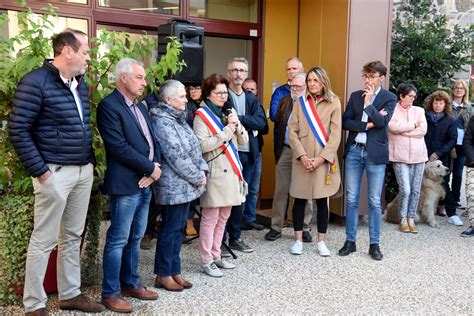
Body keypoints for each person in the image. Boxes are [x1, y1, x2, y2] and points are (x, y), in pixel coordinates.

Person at [8, 29, 104, 315]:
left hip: (81, 171)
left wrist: (89, 165)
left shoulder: (78, 83)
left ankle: (70, 294)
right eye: (85, 52)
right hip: (54, 172)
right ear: (67, 51)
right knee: (44, 239)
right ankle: (34, 304)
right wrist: (42, 172)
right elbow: (18, 130)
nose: (89, 57)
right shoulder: (35, 82)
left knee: (73, 235)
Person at [98, 58, 161, 313]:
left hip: (145, 183)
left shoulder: (141, 107)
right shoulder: (109, 106)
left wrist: (154, 168)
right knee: (118, 239)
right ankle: (110, 293)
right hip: (126, 184)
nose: (144, 83)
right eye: (139, 77)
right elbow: (118, 147)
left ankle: (130, 283)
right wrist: (149, 168)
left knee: (136, 237)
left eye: (144, 78)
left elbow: (151, 141)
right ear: (123, 77)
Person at [150, 79, 208, 290]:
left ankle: (174, 271)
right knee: (170, 229)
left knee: (177, 230)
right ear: (168, 99)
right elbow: (176, 156)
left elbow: (194, 148)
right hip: (173, 185)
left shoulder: (179, 118)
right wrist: (197, 176)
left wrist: (203, 169)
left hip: (187, 184)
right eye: (182, 96)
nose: (186, 99)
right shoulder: (162, 121)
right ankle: (163, 274)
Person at [339, 61, 396, 261]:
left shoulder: (390, 98)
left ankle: (374, 244)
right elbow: (345, 122)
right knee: (352, 198)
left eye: (371, 76)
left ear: (381, 78)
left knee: (373, 201)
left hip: (375, 154)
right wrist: (368, 124)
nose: (367, 80)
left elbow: (383, 123)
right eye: (365, 76)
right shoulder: (355, 96)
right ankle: (350, 241)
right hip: (355, 151)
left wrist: (370, 104)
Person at [193, 74, 249, 277]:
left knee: (224, 216)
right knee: (210, 218)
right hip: (215, 173)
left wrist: (236, 123)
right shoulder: (202, 115)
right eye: (219, 93)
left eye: (225, 92)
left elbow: (242, 141)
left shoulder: (227, 113)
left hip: (232, 171)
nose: (224, 96)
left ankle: (216, 255)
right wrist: (226, 132)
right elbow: (201, 146)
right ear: (208, 94)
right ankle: (206, 260)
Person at [287, 67, 342, 256]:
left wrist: (320, 159)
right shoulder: (300, 102)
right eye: (309, 80)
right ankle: (298, 240)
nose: (311, 84)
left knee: (321, 201)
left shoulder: (334, 102)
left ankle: (321, 241)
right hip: (302, 159)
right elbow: (292, 131)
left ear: (323, 82)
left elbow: (335, 135)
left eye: (315, 80)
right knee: (300, 199)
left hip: (322, 160)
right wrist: (302, 156)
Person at [225, 57, 267, 250]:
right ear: (228, 73)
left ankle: (235, 238)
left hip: (248, 154)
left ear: (246, 74)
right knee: (226, 198)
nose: (238, 74)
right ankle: (221, 239)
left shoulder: (251, 98)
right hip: (228, 155)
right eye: (234, 70)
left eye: (242, 70)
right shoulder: (223, 96)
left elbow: (261, 123)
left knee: (241, 196)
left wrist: (238, 118)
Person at [265, 72, 310, 241]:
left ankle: (305, 227)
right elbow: (277, 122)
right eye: (292, 86)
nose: (295, 89)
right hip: (285, 150)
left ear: (306, 87)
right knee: (281, 190)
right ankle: (276, 227)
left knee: (306, 191)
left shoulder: (311, 105)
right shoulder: (284, 102)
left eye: (299, 86)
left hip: (305, 153)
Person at [388, 83, 427, 233]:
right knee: (405, 189)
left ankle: (411, 217)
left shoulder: (419, 110)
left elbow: (423, 130)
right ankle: (402, 218)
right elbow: (392, 127)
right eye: (410, 96)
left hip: (419, 155)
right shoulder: (393, 110)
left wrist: (404, 131)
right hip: (400, 155)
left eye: (414, 96)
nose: (413, 98)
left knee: (416, 190)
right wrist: (412, 125)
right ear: (401, 96)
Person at [424, 91, 463, 226]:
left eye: (441, 103)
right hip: (423, 157)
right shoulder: (425, 117)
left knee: (445, 186)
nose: (438, 105)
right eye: (436, 102)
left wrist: (439, 153)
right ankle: (414, 213)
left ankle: (452, 214)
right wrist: (425, 153)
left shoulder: (450, 120)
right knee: (419, 185)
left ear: (446, 105)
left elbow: (452, 140)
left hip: (442, 159)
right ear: (431, 103)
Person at [239, 77, 269, 233]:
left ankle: (250, 218)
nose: (250, 92)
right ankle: (238, 220)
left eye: (253, 89)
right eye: (247, 89)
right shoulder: (239, 105)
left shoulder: (258, 106)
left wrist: (248, 123)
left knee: (253, 188)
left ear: (256, 91)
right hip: (241, 152)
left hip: (257, 151)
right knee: (240, 188)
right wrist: (252, 123)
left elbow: (264, 127)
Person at [184, 84, 203, 237]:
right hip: (191, 151)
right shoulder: (186, 106)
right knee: (193, 188)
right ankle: (189, 222)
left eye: (197, 88)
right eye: (191, 90)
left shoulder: (207, 104)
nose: (194, 92)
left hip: (207, 150)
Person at [449, 80, 472, 209]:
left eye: (461, 88)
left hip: (463, 144)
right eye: (456, 88)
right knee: (446, 172)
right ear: (452, 90)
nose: (458, 90)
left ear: (465, 91)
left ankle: (455, 199)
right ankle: (443, 201)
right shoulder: (447, 106)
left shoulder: (469, 107)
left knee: (458, 173)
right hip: (449, 143)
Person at [461, 115, 474, 236]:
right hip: (473, 163)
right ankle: (473, 225)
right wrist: (472, 158)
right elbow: (467, 140)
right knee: (471, 196)